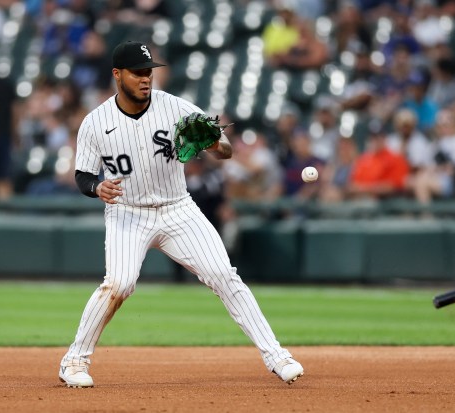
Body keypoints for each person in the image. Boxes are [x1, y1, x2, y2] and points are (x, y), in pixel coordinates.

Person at [58, 41, 303, 388]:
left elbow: (227, 151)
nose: (146, 79)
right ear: (117, 75)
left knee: (224, 274)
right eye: (138, 72)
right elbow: (82, 175)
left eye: (149, 72)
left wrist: (213, 142)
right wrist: (97, 188)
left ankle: (278, 356)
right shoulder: (96, 122)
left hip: (178, 208)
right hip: (127, 213)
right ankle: (74, 361)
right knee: (119, 284)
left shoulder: (175, 107)